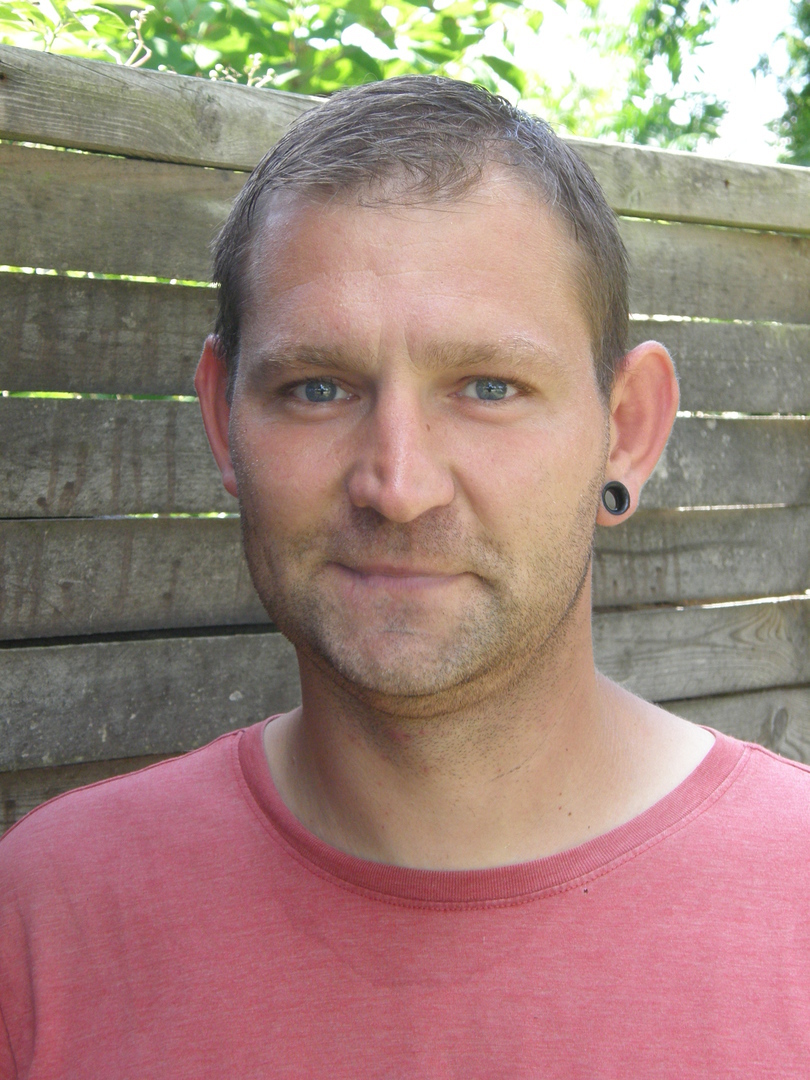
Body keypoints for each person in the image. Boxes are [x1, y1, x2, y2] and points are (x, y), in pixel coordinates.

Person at [1, 76, 808, 1079]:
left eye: (488, 387)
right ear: (222, 420)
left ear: (627, 429)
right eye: (317, 388)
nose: (398, 486)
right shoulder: (46, 917)